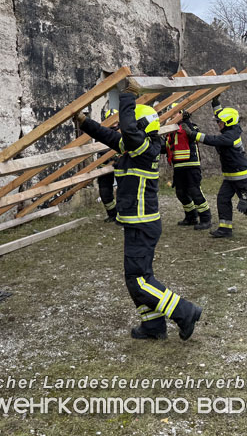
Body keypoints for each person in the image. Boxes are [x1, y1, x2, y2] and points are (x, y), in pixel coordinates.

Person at [74, 84, 202, 341]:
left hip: (143, 225)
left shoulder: (145, 148)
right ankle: (153, 326)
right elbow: (109, 136)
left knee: (138, 279)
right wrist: (84, 121)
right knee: (138, 277)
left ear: (141, 126)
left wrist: (128, 95)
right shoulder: (135, 147)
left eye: (128, 126)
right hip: (139, 224)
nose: (122, 130)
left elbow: (128, 129)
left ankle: (184, 311)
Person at [181, 96, 247, 238]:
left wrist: (193, 134)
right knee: (222, 199)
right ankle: (225, 229)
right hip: (231, 176)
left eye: (220, 122)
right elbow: (220, 115)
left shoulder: (230, 136)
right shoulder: (231, 127)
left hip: (241, 176)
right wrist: (215, 103)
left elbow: (213, 140)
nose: (218, 124)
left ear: (227, 123)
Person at [164, 104, 212, 230]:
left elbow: (194, 134)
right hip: (178, 167)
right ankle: (191, 217)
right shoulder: (169, 131)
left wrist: (187, 121)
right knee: (181, 193)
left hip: (191, 166)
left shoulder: (190, 125)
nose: (172, 116)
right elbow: (166, 148)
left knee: (194, 191)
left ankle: (206, 218)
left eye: (174, 113)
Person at [97, 108, 119, 222]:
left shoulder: (124, 132)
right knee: (105, 192)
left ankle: (123, 214)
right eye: (111, 119)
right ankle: (112, 214)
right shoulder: (102, 133)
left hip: (120, 166)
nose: (114, 122)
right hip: (104, 168)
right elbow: (99, 151)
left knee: (124, 191)